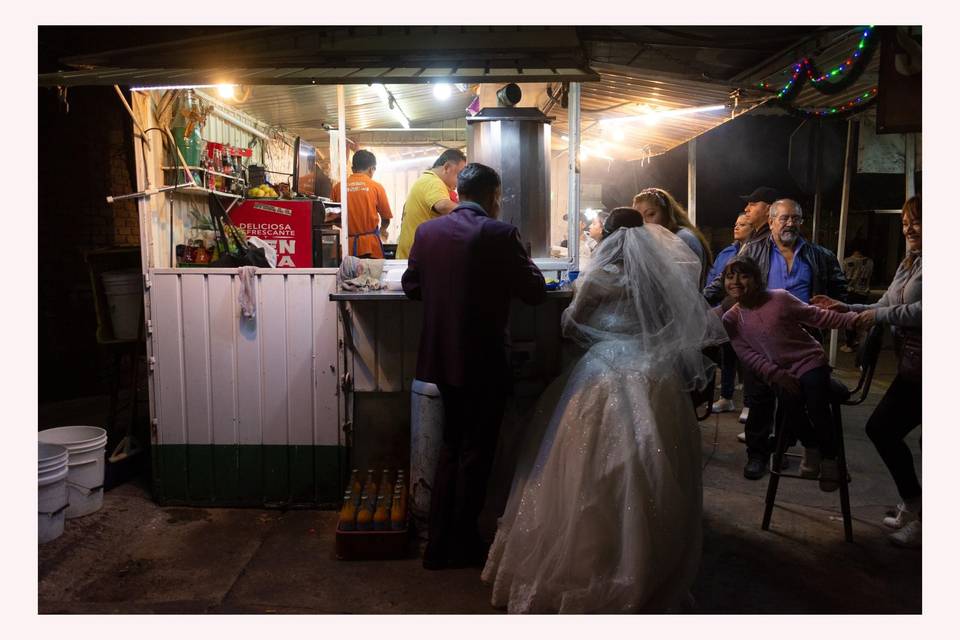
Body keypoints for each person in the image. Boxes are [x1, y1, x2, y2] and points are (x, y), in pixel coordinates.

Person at [481, 208, 727, 613]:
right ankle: (647, 566)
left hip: (604, 368)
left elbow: (571, 324)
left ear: (608, 237)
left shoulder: (598, 277)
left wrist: (605, 333)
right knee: (653, 469)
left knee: (584, 471)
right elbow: (672, 323)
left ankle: (589, 563)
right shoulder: (657, 278)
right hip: (652, 372)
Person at [401, 163, 545, 570]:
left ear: (458, 192)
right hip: (484, 359)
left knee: (451, 446)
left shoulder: (428, 232)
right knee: (477, 452)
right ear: (494, 195)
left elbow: (412, 287)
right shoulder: (500, 233)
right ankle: (464, 540)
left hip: (440, 358)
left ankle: (436, 544)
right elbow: (533, 291)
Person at [706, 199, 848, 479]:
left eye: (796, 218)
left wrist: (837, 308)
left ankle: (783, 449)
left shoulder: (820, 255)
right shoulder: (753, 249)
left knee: (792, 397)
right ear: (770, 222)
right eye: (784, 218)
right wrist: (696, 305)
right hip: (759, 337)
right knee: (759, 399)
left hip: (802, 338)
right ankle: (757, 455)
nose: (790, 223)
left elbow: (839, 290)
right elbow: (726, 280)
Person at [811, 195, 922, 548]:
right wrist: (849, 307)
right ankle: (917, 505)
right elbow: (886, 304)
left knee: (896, 433)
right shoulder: (912, 263)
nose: (909, 230)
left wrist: (876, 316)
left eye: (917, 221)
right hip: (914, 364)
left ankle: (923, 517)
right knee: (883, 430)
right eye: (905, 223)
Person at [721, 256, 866, 491]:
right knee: (790, 405)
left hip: (808, 359)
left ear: (757, 279)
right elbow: (746, 354)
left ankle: (830, 459)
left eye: (744, 275)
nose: (736, 281)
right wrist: (776, 374)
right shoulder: (732, 318)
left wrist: (853, 320)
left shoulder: (778, 298)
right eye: (730, 276)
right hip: (780, 370)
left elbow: (817, 316)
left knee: (816, 402)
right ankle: (812, 447)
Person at [707, 214, 753, 413]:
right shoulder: (727, 251)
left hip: (746, 310)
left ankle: (749, 404)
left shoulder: (757, 250)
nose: (736, 227)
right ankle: (726, 396)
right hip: (726, 308)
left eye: (742, 225)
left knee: (748, 357)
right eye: (735, 224)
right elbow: (716, 278)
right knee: (727, 354)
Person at [632, 187, 712, 287]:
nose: (644, 223)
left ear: (667, 213)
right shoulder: (660, 239)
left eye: (650, 214)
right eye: (639, 218)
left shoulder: (683, 238)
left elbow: (679, 286)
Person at [396, 148, 467, 259]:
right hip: (417, 257)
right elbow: (443, 205)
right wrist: (474, 212)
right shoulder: (433, 182)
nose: (460, 181)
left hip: (413, 254)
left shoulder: (426, 179)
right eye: (459, 175)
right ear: (447, 168)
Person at [330, 150, 393, 259]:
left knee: (349, 276)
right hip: (371, 248)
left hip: (347, 248)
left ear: (353, 169)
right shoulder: (376, 187)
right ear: (371, 169)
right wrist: (383, 230)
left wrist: (350, 227)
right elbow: (386, 218)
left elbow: (333, 218)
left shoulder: (337, 188)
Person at [840, 244, 874, 352]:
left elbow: (841, 276)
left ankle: (849, 343)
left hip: (850, 292)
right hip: (863, 292)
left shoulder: (847, 261)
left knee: (850, 317)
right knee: (861, 317)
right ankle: (859, 340)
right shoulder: (870, 262)